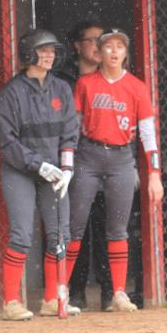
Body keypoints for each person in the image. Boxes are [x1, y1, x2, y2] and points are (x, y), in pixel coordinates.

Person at [65, 28, 163, 312]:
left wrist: (154, 174)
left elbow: (147, 133)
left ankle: (119, 292)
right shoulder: (86, 84)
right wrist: (68, 161)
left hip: (121, 157)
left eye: (120, 47)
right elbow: (74, 126)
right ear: (100, 51)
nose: (114, 52)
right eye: (108, 46)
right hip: (89, 155)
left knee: (118, 228)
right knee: (75, 226)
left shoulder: (136, 87)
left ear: (125, 53)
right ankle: (61, 289)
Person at [0, 28, 80, 321]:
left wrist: (66, 168)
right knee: (21, 234)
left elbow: (70, 131)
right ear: (29, 54)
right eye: (43, 50)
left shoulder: (61, 89)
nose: (49, 55)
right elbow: (8, 144)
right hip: (21, 170)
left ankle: (52, 299)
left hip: (55, 171)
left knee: (61, 235)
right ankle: (10, 302)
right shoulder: (11, 93)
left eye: (52, 51)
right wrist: (39, 164)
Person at [58, 20, 114, 311]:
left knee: (106, 226)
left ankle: (109, 291)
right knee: (75, 229)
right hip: (75, 161)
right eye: (91, 40)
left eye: (101, 39)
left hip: (107, 161)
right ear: (78, 46)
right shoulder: (64, 81)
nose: (97, 45)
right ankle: (75, 290)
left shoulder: (114, 78)